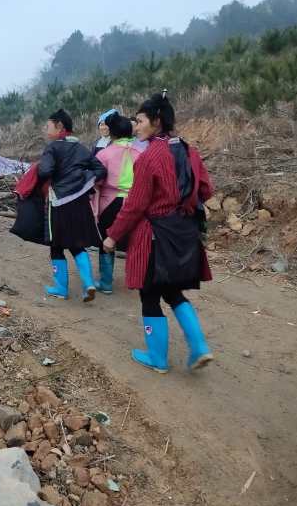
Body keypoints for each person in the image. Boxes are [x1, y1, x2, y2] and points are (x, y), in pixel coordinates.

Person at [103, 92, 214, 373]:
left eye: (140, 121)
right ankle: (199, 346)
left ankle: (158, 358)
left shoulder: (149, 157)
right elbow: (206, 189)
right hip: (184, 233)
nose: (136, 126)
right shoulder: (188, 150)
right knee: (174, 291)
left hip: (155, 236)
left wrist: (113, 235)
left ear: (157, 121)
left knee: (150, 294)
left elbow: (135, 205)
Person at [37, 109, 106, 302]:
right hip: (80, 203)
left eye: (48, 126)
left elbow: (45, 171)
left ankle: (61, 288)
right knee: (77, 244)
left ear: (59, 126)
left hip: (58, 203)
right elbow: (100, 170)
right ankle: (88, 283)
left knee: (56, 246)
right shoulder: (81, 148)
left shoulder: (52, 148)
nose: (46, 129)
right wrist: (83, 181)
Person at [91, 113, 139, 294]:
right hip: (134, 201)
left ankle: (106, 282)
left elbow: (96, 181)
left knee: (106, 240)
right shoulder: (140, 154)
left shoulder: (104, 154)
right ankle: (136, 280)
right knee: (133, 241)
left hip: (110, 202)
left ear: (112, 133)